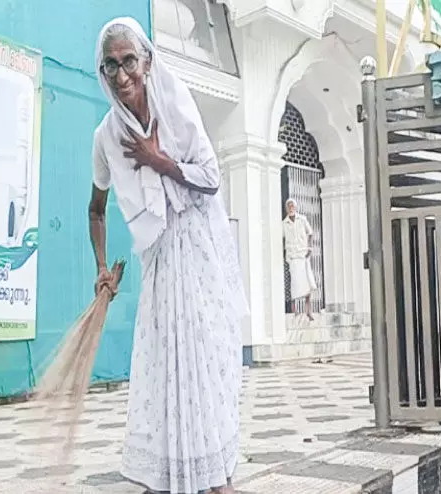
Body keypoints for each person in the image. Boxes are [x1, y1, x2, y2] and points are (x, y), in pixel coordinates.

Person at [87, 17, 247, 494]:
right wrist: (101, 268)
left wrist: (159, 161)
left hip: (199, 248)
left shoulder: (175, 106)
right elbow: (95, 209)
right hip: (158, 259)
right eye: (111, 65)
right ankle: (173, 475)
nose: (122, 76)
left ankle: (216, 477)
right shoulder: (106, 137)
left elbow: (211, 178)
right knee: (166, 365)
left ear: (147, 62)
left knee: (206, 358)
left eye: (129, 61)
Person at [282, 198, 317, 321]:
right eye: (289, 206)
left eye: (292, 206)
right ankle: (294, 309)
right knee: (294, 283)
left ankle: (308, 310)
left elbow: (310, 233)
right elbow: (281, 238)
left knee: (307, 282)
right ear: (287, 209)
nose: (291, 208)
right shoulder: (284, 223)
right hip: (292, 257)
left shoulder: (302, 219)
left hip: (303, 255)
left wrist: (310, 248)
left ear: (295, 207)